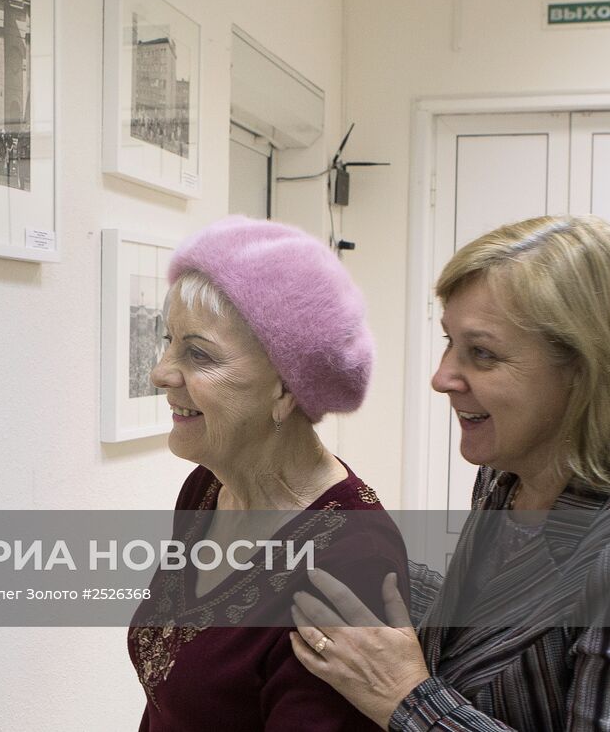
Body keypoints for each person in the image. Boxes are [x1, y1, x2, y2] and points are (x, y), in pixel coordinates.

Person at [288, 214, 610, 731]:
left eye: (482, 353)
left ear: (582, 368)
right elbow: (483, 631)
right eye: (449, 342)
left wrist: (407, 699)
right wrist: (355, 556)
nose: (441, 378)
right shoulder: (505, 476)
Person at [127, 215, 408, 731]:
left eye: (196, 353)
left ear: (286, 388)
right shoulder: (207, 488)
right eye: (168, 341)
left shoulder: (350, 560)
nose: (161, 372)